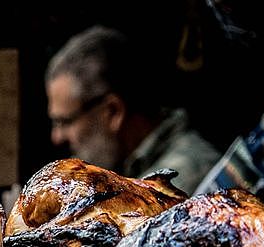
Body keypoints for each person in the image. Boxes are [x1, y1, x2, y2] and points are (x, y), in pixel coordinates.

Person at [44, 26, 221, 192]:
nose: (57, 137)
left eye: (65, 122)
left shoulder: (180, 182)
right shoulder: (134, 170)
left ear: (113, 112)